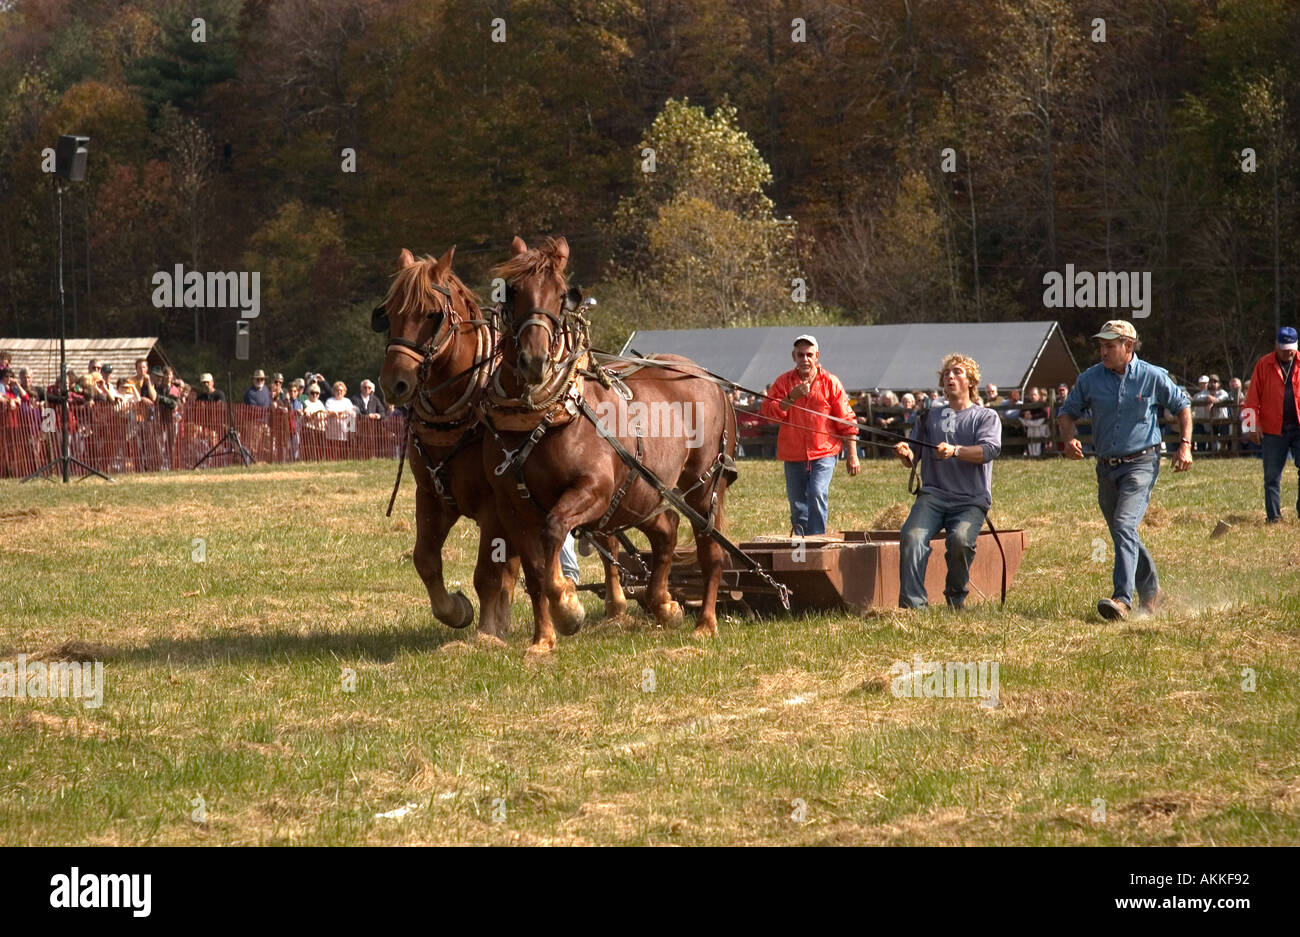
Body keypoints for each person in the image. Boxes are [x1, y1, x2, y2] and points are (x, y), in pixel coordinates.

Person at [1057, 320, 1192, 621]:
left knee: (1122, 526)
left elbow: (1183, 406)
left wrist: (1185, 444)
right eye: (1101, 345)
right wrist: (1069, 439)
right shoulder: (1090, 379)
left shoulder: (1153, 377)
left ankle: (1122, 599)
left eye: (1110, 346)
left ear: (1128, 346)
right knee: (1123, 532)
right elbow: (1066, 413)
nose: (1103, 351)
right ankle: (1153, 592)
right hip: (1106, 468)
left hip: (1142, 463)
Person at [892, 354, 1001, 610]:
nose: (950, 377)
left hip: (970, 500)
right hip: (933, 496)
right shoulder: (929, 416)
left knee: (960, 541)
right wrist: (905, 454)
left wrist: (955, 451)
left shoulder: (985, 417)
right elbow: (913, 457)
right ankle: (913, 606)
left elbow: (988, 450)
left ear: (971, 381)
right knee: (911, 536)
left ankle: (955, 599)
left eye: (958, 372)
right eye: (946, 373)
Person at [760, 334, 859, 536]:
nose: (805, 359)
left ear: (817, 356)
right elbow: (769, 413)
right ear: (793, 356)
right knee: (797, 506)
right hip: (793, 453)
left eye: (809, 355)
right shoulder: (783, 382)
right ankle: (801, 544)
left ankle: (817, 539)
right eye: (800, 355)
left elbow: (847, 420)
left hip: (825, 451)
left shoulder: (830, 382)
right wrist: (791, 397)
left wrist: (853, 454)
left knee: (816, 492)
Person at [1242, 326, 1300, 524]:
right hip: (1274, 429)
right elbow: (1251, 399)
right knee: (1272, 475)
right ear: (1276, 345)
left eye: (1291, 348)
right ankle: (1274, 517)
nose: (1288, 352)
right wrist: (1250, 426)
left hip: (1299, 427)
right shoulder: (1263, 364)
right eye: (1284, 348)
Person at [324, 380, 356, 459]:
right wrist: (340, 413)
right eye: (337, 390)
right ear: (334, 391)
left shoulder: (347, 401)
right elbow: (328, 412)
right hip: (332, 431)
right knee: (332, 452)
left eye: (341, 390)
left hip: (345, 431)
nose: (339, 392)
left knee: (343, 452)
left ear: (344, 392)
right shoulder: (330, 401)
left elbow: (352, 412)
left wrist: (341, 413)